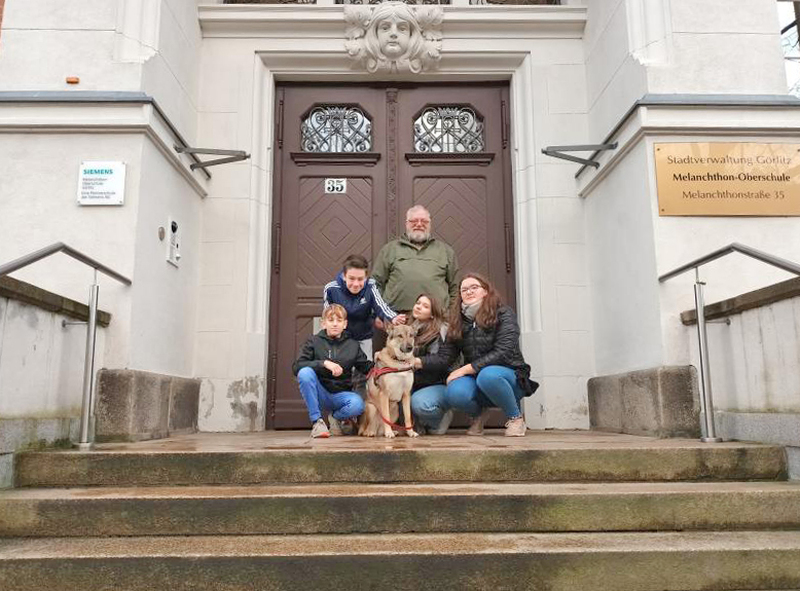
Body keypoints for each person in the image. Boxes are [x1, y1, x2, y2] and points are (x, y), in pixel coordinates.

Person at [444, 273, 539, 437]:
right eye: (464, 289)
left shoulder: (503, 313)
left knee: (488, 376)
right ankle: (478, 416)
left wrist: (466, 369)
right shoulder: (459, 320)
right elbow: (446, 355)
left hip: (509, 376)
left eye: (474, 287)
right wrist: (417, 362)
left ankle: (516, 419)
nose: (469, 292)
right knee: (455, 392)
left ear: (486, 291)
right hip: (477, 377)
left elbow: (504, 350)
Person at [292, 304, 370, 438]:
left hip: (342, 395)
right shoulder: (313, 341)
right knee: (305, 373)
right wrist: (324, 363)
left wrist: (384, 360)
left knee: (358, 404)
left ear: (345, 324)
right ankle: (317, 422)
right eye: (331, 320)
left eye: (339, 321)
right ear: (323, 323)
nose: (335, 324)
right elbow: (297, 366)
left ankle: (335, 417)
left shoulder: (352, 345)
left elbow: (366, 367)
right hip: (320, 392)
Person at [372, 204, 459, 315]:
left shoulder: (445, 251)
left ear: (430, 225)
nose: (419, 224)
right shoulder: (390, 249)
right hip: (398, 318)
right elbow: (375, 284)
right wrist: (380, 314)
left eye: (424, 221)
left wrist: (451, 315)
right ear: (407, 223)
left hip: (436, 319)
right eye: (414, 221)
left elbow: (455, 288)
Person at [323, 254, 406, 359]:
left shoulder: (371, 286)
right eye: (351, 278)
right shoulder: (331, 289)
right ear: (344, 276)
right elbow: (328, 315)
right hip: (339, 339)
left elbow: (380, 305)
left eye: (360, 279)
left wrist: (393, 317)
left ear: (366, 277)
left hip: (363, 337)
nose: (356, 284)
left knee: (365, 370)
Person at [408, 294, 456, 435]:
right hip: (415, 382)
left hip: (437, 382)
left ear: (433, 314)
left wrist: (417, 362)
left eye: (425, 306)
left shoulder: (442, 331)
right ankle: (419, 423)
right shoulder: (409, 328)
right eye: (418, 303)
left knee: (419, 404)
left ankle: (440, 418)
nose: (419, 307)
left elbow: (441, 360)